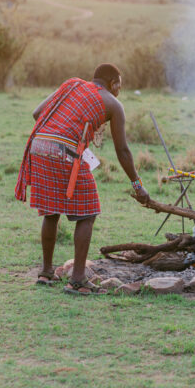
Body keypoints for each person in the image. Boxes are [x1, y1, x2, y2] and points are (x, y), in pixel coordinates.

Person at [15, 63, 151, 294]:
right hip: (65, 151)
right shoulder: (113, 104)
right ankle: (77, 279)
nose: (119, 90)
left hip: (39, 145)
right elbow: (123, 151)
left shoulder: (72, 84)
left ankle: (46, 273)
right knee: (88, 212)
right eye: (120, 86)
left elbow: (37, 113)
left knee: (51, 210)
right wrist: (138, 186)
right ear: (114, 83)